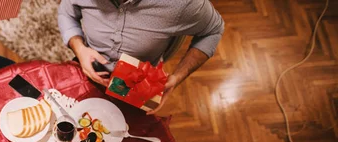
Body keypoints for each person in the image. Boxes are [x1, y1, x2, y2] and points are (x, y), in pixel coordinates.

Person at [58, 0, 225, 114]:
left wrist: (177, 76)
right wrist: (79, 48)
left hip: (139, 86)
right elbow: (66, 13)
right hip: (87, 70)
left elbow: (213, 30)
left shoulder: (182, 4)